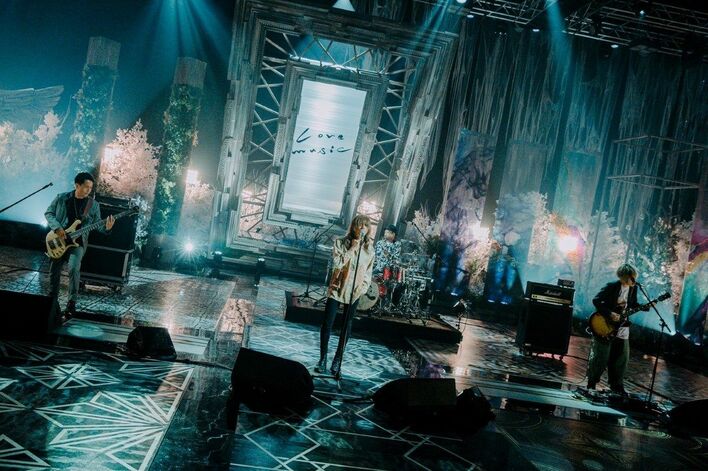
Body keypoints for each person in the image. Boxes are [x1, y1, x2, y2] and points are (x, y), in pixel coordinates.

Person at [45, 172, 114, 319]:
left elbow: (98, 225)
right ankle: (51, 300)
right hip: (59, 239)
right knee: (54, 270)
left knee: (74, 269)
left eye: (91, 188)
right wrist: (57, 228)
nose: (89, 190)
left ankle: (71, 303)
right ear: (77, 185)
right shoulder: (61, 198)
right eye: (86, 187)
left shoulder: (93, 205)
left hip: (78, 243)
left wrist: (107, 228)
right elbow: (49, 213)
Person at [316, 215, 375, 377]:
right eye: (359, 225)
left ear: (368, 229)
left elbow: (368, 273)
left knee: (346, 326)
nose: (362, 228)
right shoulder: (340, 242)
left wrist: (362, 289)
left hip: (354, 292)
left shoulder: (369, 249)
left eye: (365, 226)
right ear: (353, 227)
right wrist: (352, 249)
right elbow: (337, 264)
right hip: (337, 288)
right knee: (327, 323)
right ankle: (322, 359)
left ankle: (337, 360)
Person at [586, 263, 649, 394]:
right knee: (601, 355)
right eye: (631, 277)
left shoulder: (633, 289)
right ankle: (592, 382)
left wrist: (644, 306)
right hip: (605, 324)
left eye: (634, 277)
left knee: (621, 356)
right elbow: (596, 300)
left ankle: (616, 385)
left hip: (622, 326)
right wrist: (610, 313)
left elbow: (632, 304)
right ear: (624, 277)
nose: (634, 280)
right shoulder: (612, 286)